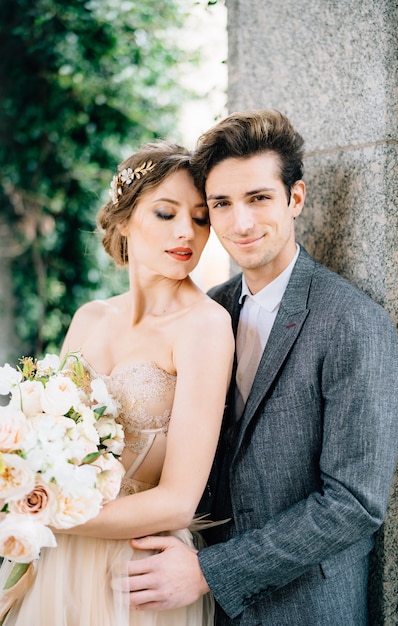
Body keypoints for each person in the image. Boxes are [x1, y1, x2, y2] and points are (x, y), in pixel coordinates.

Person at [121, 110, 398, 625]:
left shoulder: (354, 322)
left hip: (306, 609)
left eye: (258, 198)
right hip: (199, 608)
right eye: (221, 205)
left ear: (294, 199)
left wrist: (212, 571)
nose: (241, 223)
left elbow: (353, 504)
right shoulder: (211, 309)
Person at [1, 140, 234, 626]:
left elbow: (177, 501)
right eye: (166, 214)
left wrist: (45, 516)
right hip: (54, 561)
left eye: (199, 217)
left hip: (136, 571)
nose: (186, 233)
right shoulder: (89, 317)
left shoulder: (206, 327)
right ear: (125, 219)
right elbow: (48, 445)